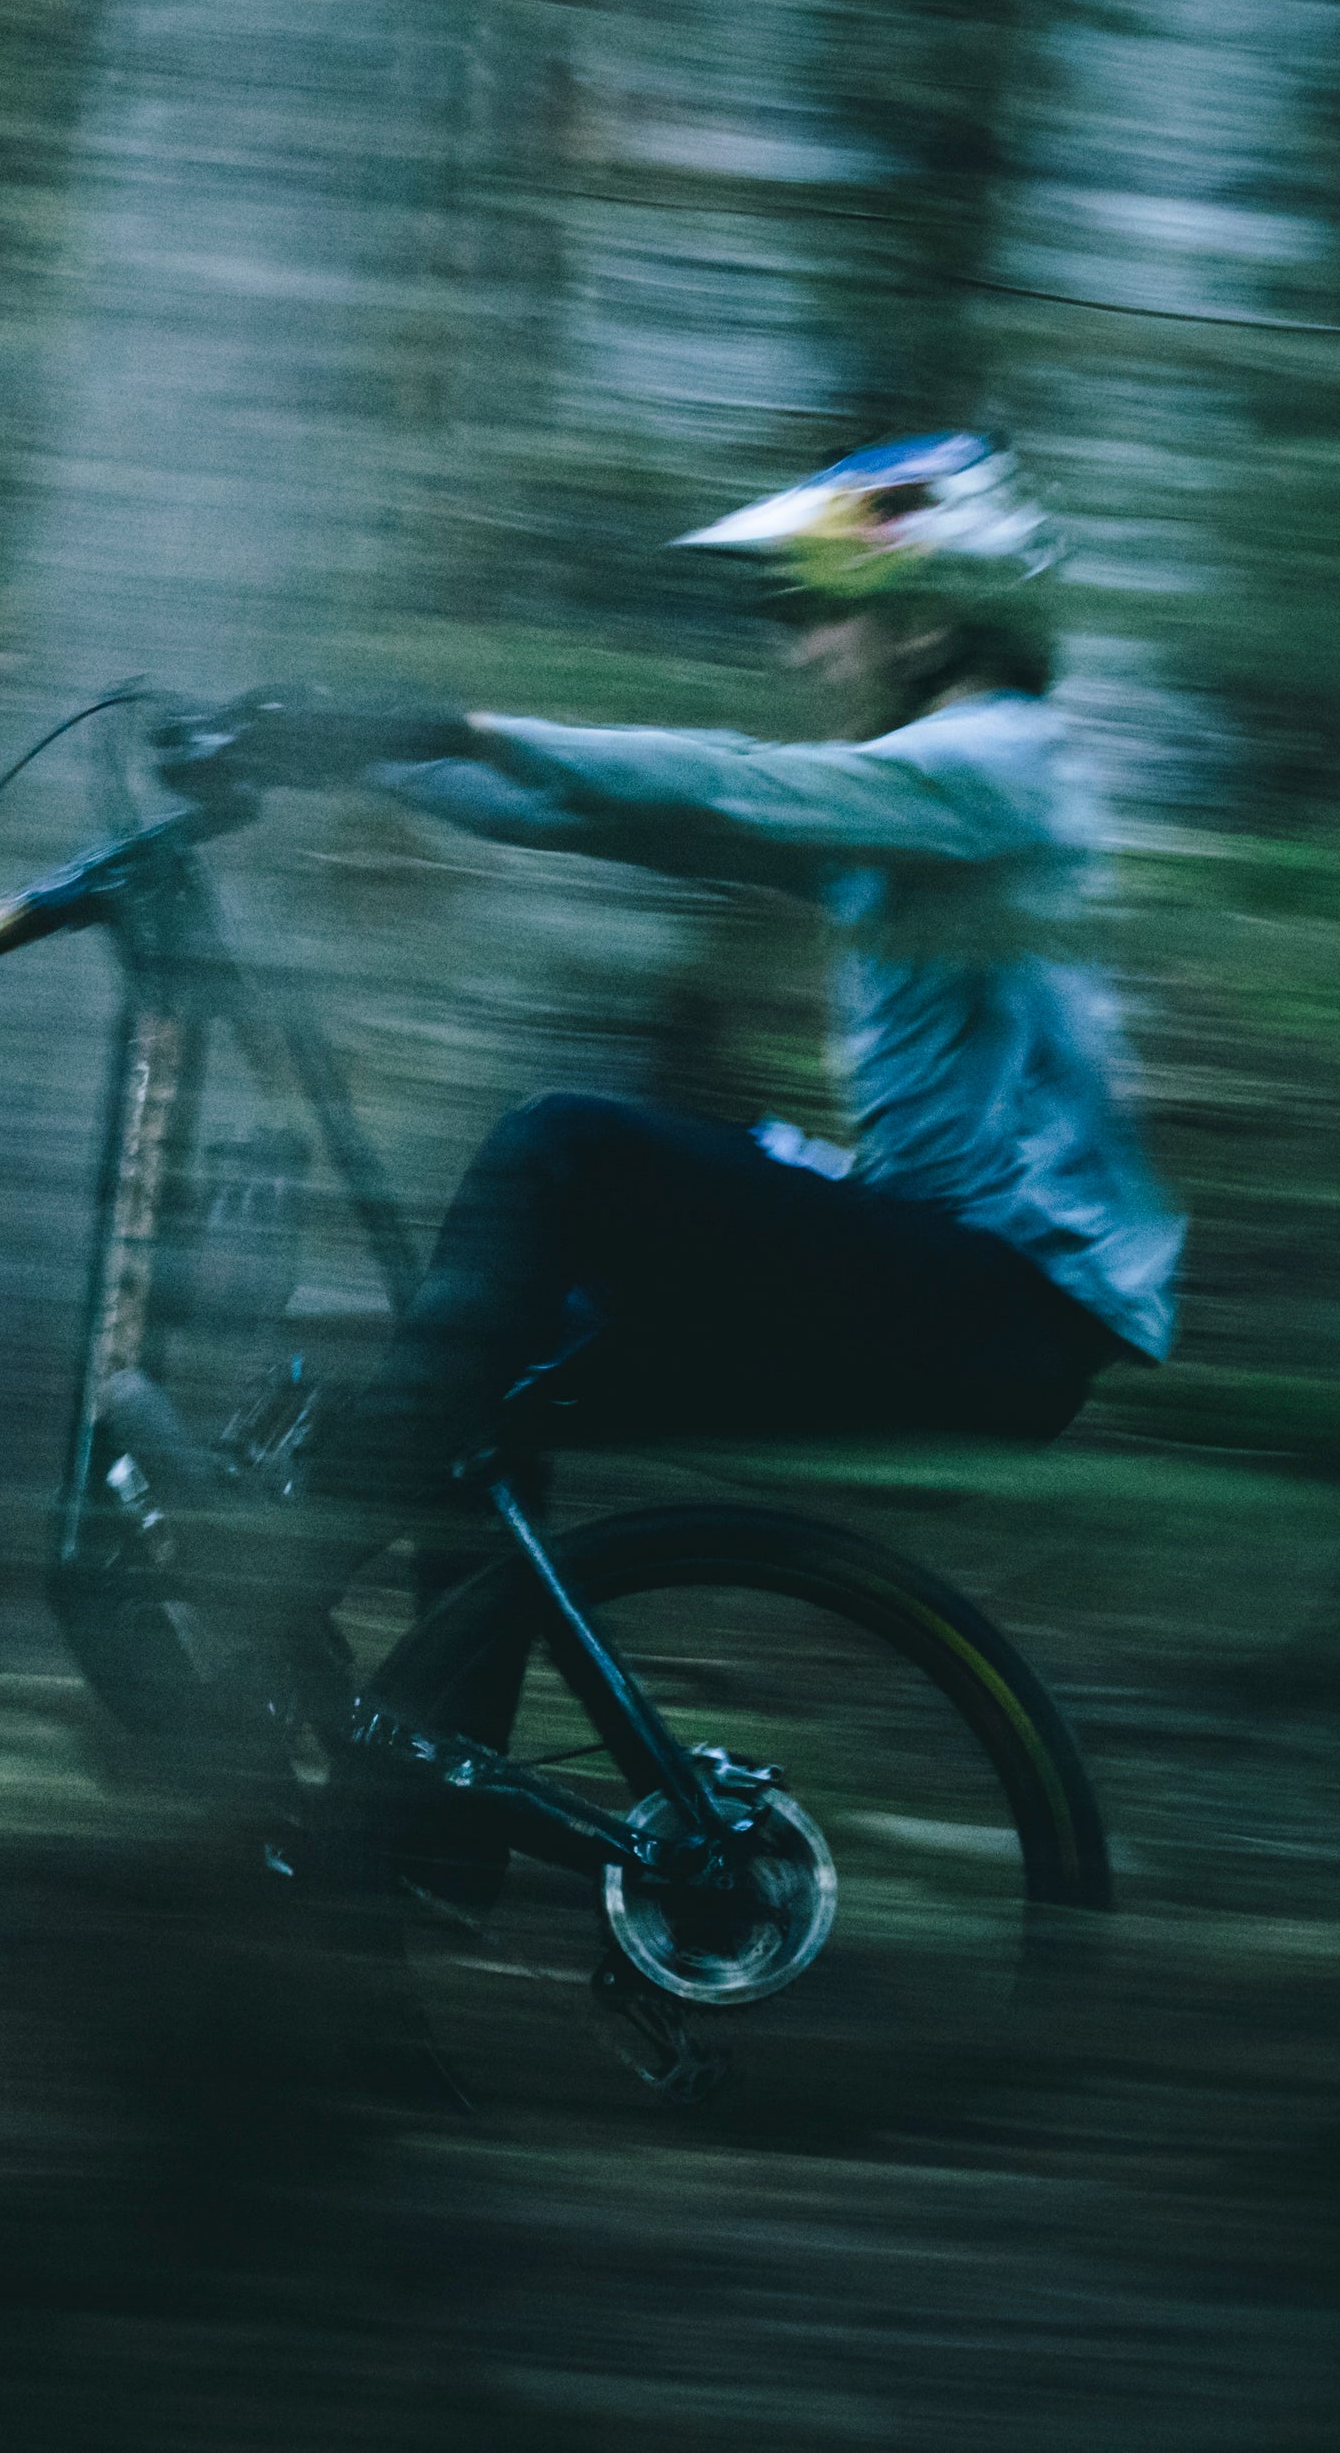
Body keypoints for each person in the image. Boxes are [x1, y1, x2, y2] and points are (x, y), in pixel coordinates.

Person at [240, 433, 1186, 1718]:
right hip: (953, 1276)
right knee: (496, 1379)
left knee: (564, 1147)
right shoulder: (912, 794)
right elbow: (630, 815)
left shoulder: (998, 770)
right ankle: (423, 1826)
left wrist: (464, 726)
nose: (797, 647)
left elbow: (731, 786)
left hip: (1006, 1301)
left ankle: (278, 1579)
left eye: (817, 608)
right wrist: (360, 757)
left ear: (924, 621)